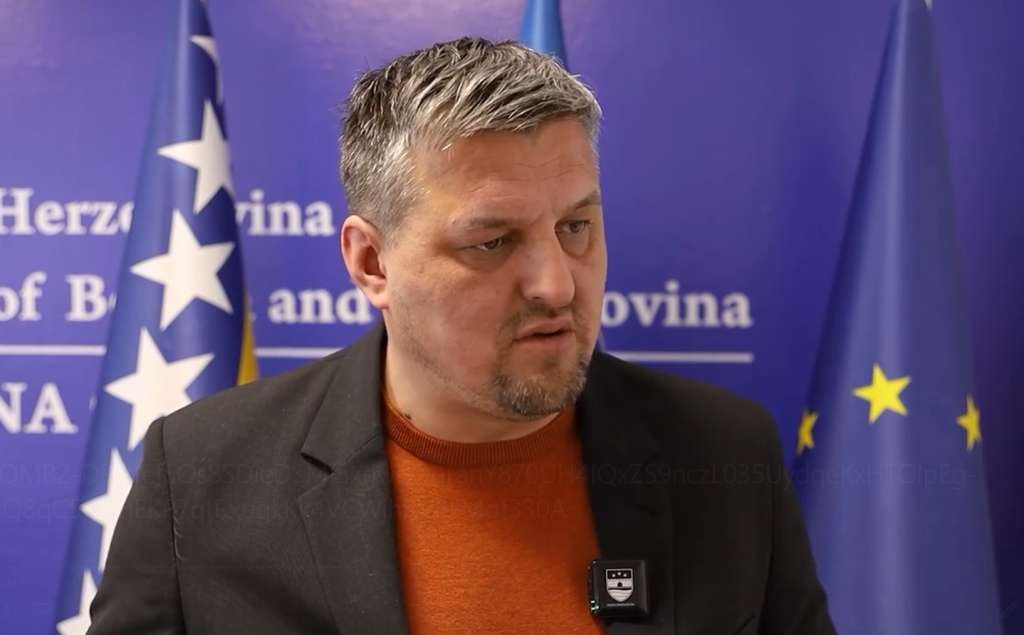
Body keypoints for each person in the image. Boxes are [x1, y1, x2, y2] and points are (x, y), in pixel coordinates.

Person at [90, 37, 836, 634]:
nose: (556, 284)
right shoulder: (202, 475)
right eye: (492, 242)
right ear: (372, 262)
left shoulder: (722, 453)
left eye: (576, 227)